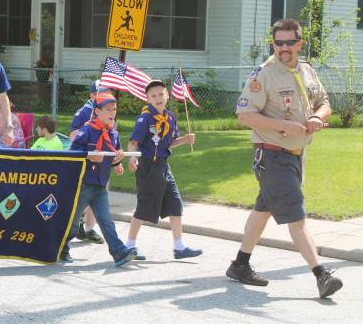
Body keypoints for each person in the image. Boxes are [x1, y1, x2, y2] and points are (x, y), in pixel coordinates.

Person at [226, 19, 342, 299]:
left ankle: (240, 264)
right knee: (296, 216)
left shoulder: (307, 71)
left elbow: (324, 102)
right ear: (273, 44)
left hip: (295, 156)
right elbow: (244, 115)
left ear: (300, 43)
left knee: (264, 209)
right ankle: (321, 275)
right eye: (279, 43)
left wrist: (316, 117)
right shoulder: (263, 75)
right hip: (272, 155)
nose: (284, 48)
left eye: (290, 42)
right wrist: (284, 126)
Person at [126, 79, 202, 260]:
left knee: (175, 204)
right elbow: (133, 142)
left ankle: (179, 247)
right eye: (153, 95)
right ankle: (129, 245)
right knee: (144, 207)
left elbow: (169, 142)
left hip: (163, 166)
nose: (158, 98)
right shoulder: (145, 118)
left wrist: (184, 139)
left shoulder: (170, 117)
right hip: (147, 167)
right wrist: (132, 158)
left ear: (167, 95)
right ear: (148, 98)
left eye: (161, 94)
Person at [60, 94, 137, 267]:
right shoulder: (87, 130)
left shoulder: (113, 133)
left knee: (106, 220)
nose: (112, 112)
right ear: (97, 112)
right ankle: (61, 248)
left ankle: (119, 253)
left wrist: (117, 160)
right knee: (73, 221)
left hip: (100, 185)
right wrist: (89, 157)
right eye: (108, 109)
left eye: (114, 109)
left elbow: (113, 156)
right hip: (83, 184)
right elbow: (73, 153)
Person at [69, 80, 114, 244]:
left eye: (107, 91)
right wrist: (90, 140)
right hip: (87, 162)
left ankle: (89, 228)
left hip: (104, 163)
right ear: (92, 95)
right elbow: (73, 135)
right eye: (101, 92)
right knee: (84, 195)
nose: (105, 95)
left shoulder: (109, 110)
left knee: (100, 193)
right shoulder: (84, 112)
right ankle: (75, 227)